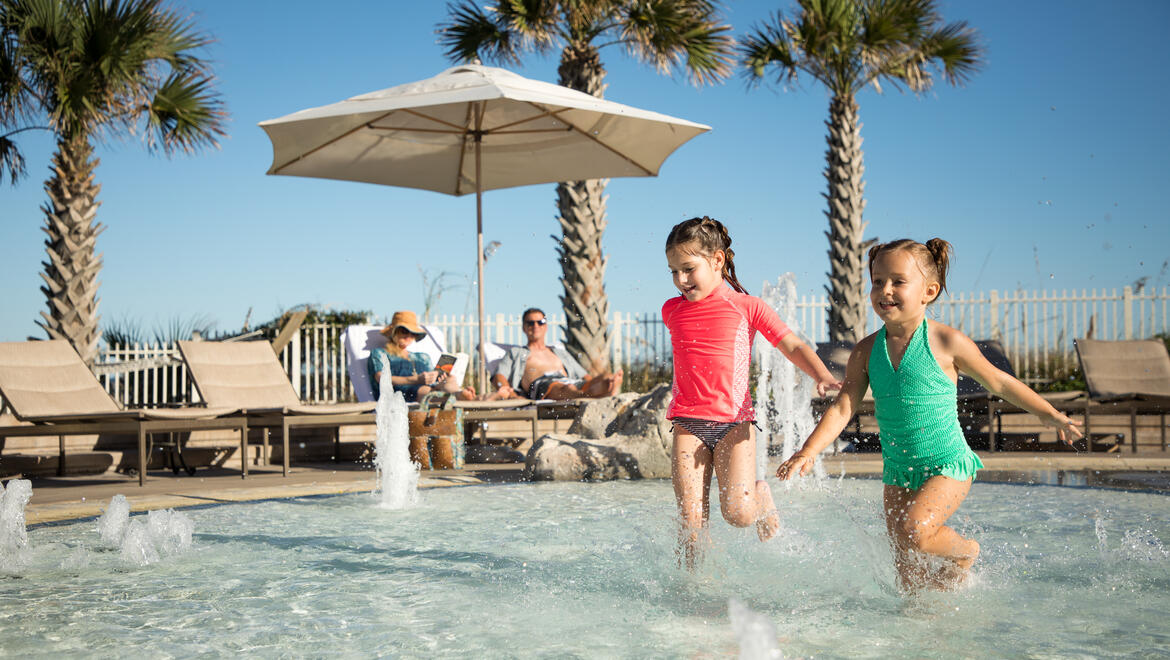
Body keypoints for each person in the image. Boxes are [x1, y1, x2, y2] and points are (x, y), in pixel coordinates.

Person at [776, 237, 1084, 591]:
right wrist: (809, 450)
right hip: (897, 469)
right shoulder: (865, 350)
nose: (884, 290)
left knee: (915, 532)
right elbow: (844, 405)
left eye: (898, 281)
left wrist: (1051, 416)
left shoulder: (945, 342)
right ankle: (924, 628)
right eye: (877, 282)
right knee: (907, 574)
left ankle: (965, 552)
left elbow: (1000, 382)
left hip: (947, 464)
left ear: (930, 291)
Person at [663, 217, 840, 569]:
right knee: (691, 523)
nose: (681, 280)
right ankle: (690, 592)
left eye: (688, 269)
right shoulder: (672, 310)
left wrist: (820, 374)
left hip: (734, 423)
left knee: (739, 515)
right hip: (686, 422)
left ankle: (759, 494)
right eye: (673, 271)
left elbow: (790, 344)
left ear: (718, 260)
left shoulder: (747, 306)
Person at [491, 307, 623, 401]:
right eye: (530, 323)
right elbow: (499, 375)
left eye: (540, 322)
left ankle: (606, 386)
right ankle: (589, 394)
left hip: (571, 382)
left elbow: (585, 376)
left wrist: (597, 381)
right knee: (564, 388)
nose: (536, 326)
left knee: (604, 377)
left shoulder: (560, 352)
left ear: (546, 326)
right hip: (543, 385)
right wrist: (509, 393)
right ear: (524, 328)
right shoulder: (516, 353)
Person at [368, 310, 476, 402]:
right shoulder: (380, 353)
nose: (409, 335)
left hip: (429, 390)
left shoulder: (422, 357)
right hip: (399, 394)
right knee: (424, 390)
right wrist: (416, 380)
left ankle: (459, 394)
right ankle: (457, 397)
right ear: (393, 332)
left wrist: (439, 378)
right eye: (404, 331)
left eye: (413, 333)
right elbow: (381, 378)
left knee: (450, 380)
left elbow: (433, 383)